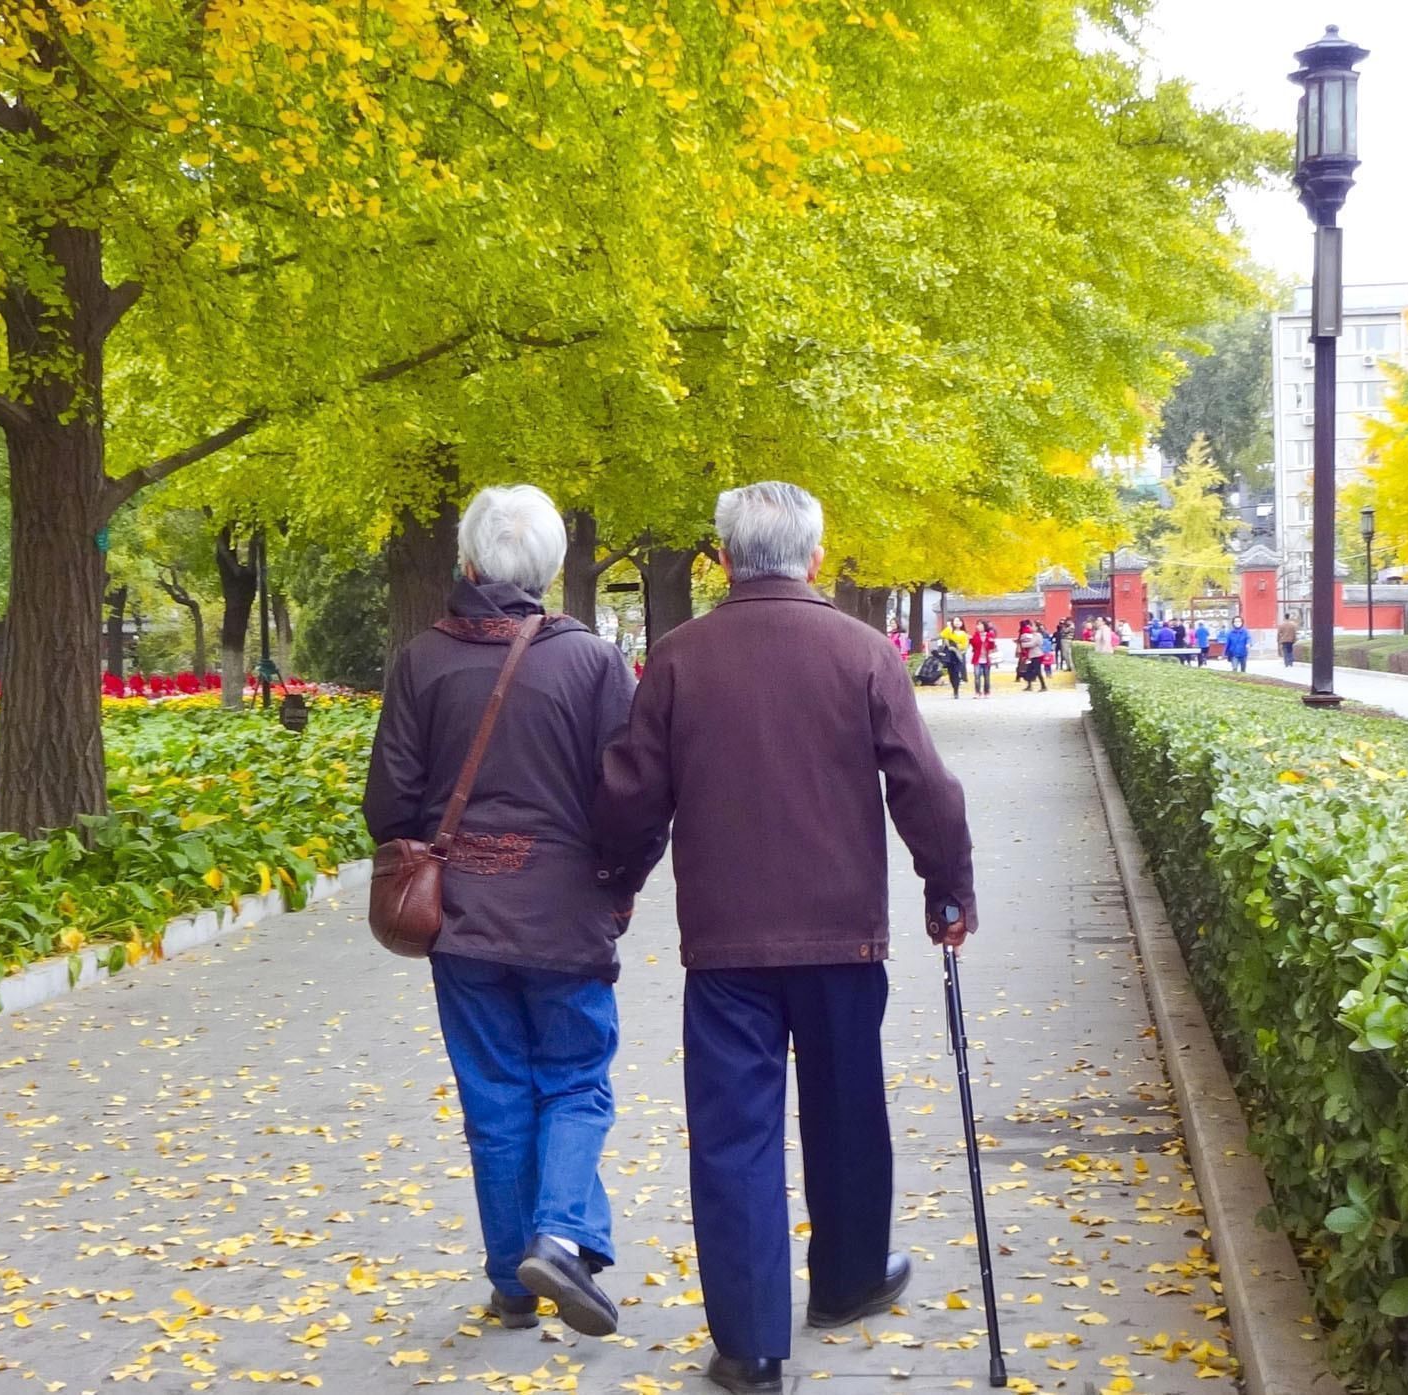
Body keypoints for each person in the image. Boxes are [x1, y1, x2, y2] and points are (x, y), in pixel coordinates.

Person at [593, 481, 978, 1395]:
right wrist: (947, 887)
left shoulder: (680, 659)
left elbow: (629, 794)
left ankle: (754, 1345)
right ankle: (846, 1282)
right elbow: (924, 784)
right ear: (813, 556)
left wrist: (617, 880)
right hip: (844, 937)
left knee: (734, 1137)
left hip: (725, 947)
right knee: (847, 1111)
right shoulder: (862, 652)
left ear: (722, 559)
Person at [364, 485, 638, 1338]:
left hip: (463, 920)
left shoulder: (421, 660)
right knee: (575, 1082)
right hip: (564, 915)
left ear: (469, 562)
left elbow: (389, 801)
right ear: (551, 568)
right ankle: (559, 1237)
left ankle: (513, 1284)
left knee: (494, 1096)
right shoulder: (593, 663)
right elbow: (629, 801)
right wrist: (618, 881)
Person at [969, 621, 996, 697]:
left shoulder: (989, 635)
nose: (978, 626)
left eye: (980, 625)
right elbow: (974, 646)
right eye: (977, 625)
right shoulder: (975, 635)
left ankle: (987, 692)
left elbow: (992, 647)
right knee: (977, 676)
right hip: (977, 659)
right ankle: (977, 692)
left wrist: (992, 642)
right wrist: (970, 640)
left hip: (986, 659)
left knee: (986, 677)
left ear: (984, 626)